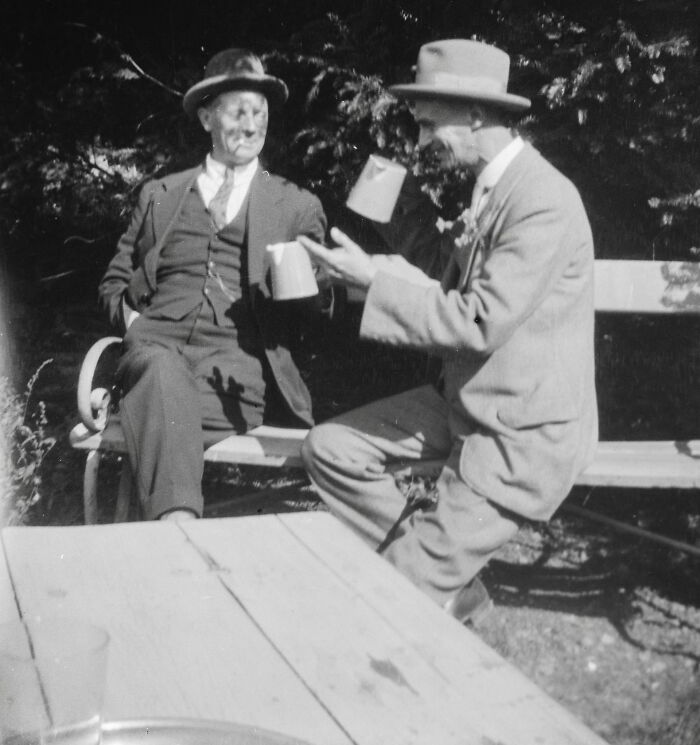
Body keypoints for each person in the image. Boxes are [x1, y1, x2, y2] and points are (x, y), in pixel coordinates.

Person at [299, 38, 598, 624]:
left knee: (385, 602)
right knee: (330, 449)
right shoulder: (493, 186)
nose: (420, 137)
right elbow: (447, 269)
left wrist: (375, 284)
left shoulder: (542, 201)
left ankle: (425, 582)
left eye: (429, 121)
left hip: (520, 432)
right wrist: (390, 207)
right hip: (467, 403)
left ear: (478, 115)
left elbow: (479, 321)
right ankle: (448, 582)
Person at [99, 48, 329, 522]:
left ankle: (172, 524)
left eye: (260, 114)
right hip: (153, 350)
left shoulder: (294, 206)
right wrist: (131, 318)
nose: (251, 126)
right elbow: (115, 279)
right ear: (206, 117)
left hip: (234, 372)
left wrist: (309, 288)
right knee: (160, 374)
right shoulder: (159, 195)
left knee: (164, 401)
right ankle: (180, 525)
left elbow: (323, 308)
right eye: (238, 112)